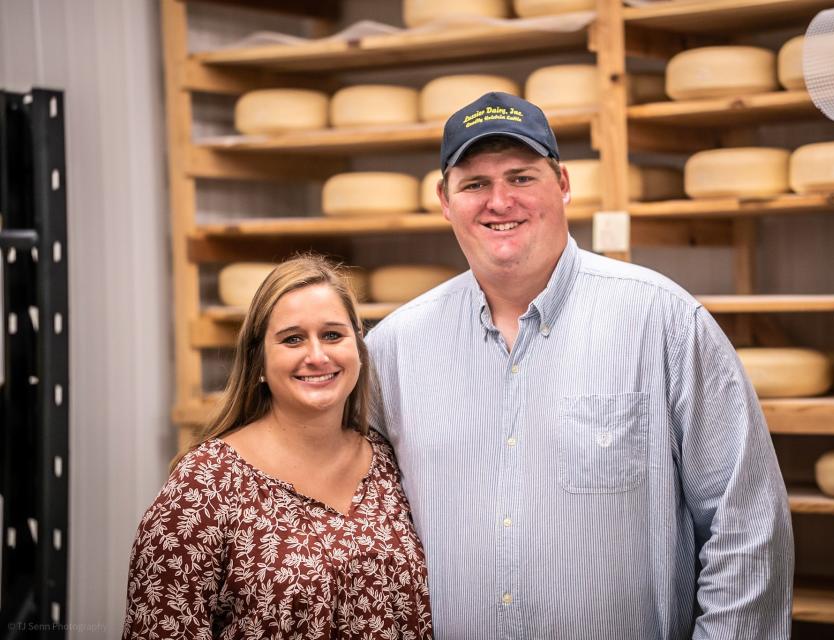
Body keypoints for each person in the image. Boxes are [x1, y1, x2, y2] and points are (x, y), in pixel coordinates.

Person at [366, 92, 794, 639]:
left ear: (563, 184)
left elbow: (747, 526)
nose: (499, 201)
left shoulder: (663, 322)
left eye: (521, 177)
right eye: (474, 184)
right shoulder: (395, 347)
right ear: (445, 201)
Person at [123, 256, 432, 639]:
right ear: (260, 363)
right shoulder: (203, 486)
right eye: (292, 339)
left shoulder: (388, 462)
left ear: (358, 348)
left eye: (333, 335)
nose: (317, 356)